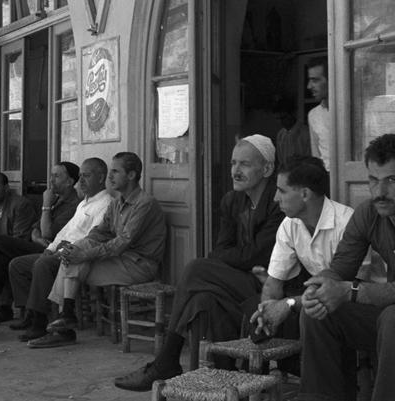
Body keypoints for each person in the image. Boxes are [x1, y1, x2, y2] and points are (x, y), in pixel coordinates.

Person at [114, 135, 284, 391]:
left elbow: (258, 256)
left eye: (245, 164)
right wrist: (234, 259)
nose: (235, 171)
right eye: (233, 163)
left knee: (197, 269)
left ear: (267, 169)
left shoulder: (278, 202)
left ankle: (167, 360)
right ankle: (221, 380)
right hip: (237, 282)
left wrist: (231, 260)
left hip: (268, 288)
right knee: (202, 299)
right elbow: (222, 251)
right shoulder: (231, 200)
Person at [298, 134, 395, 401]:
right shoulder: (369, 212)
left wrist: (349, 292)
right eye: (373, 180)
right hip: (394, 317)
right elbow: (340, 269)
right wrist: (319, 287)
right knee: (319, 311)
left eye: (391, 181)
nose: (379, 192)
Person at [20, 153, 166, 348]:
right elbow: (99, 232)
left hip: (139, 265)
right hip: (119, 261)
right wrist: (77, 248)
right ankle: (66, 317)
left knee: (76, 258)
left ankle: (65, 321)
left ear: (131, 175)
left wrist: (83, 253)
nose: (110, 177)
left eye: (115, 171)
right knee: (73, 254)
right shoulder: (117, 203)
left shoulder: (144, 203)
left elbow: (122, 242)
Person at [249, 156, 353, 353]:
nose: (275, 198)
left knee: (311, 314)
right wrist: (268, 309)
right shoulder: (290, 225)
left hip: (350, 299)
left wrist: (287, 304)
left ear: (305, 194)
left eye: (281, 191)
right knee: (254, 313)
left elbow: (343, 289)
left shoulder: (346, 223)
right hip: (317, 299)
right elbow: (274, 282)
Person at [7, 158, 113, 342]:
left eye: (86, 176)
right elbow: (66, 231)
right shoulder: (83, 203)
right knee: (17, 265)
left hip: (77, 256)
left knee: (43, 264)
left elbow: (92, 237)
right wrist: (50, 248)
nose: (81, 181)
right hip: (59, 250)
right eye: (80, 176)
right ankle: (30, 314)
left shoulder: (106, 203)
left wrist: (57, 252)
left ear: (101, 177)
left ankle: (39, 323)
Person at [0, 171, 38, 323]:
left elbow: (20, 238)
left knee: (1, 243)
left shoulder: (20, 204)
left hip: (20, 249)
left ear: (6, 187)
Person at [306, 57, 331, 171]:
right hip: (326, 178)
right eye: (310, 80)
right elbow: (316, 156)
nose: (309, 86)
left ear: (331, 79)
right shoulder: (313, 115)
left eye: (315, 80)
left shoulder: (352, 110)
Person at [273, 96, 310, 169]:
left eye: (284, 118)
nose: (280, 122)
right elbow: (281, 160)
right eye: (278, 119)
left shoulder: (306, 133)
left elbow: (309, 159)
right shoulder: (281, 135)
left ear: (293, 114)